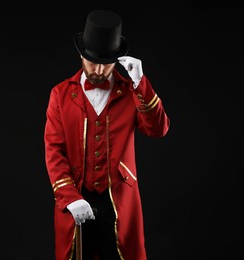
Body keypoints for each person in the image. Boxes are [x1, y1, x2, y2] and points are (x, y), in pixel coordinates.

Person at [44, 9, 170, 260]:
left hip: (120, 201)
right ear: (81, 54)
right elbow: (54, 150)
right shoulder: (59, 94)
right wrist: (69, 197)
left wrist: (141, 83)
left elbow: (158, 129)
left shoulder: (132, 92)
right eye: (93, 61)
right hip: (78, 199)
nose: (100, 70)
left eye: (106, 63)